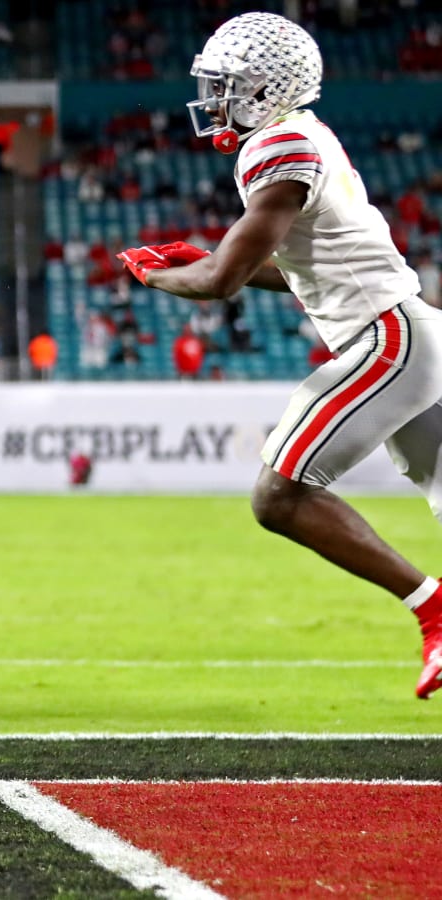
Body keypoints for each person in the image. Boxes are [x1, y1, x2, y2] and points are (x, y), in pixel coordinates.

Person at [117, 12, 442, 699]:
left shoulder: (278, 147)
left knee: (278, 495)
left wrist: (156, 274)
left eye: (228, 85)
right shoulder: (301, 136)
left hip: (388, 340)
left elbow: (221, 282)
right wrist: (203, 258)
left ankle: (432, 609)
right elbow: (296, 269)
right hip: (406, 332)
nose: (214, 98)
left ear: (266, 89)